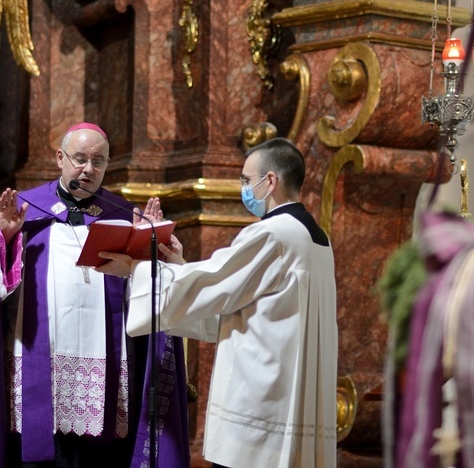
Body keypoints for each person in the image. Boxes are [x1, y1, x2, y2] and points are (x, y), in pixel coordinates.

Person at [0, 122, 190, 468]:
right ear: (60, 158)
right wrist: (6, 239)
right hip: (38, 364)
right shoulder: (27, 213)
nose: (88, 169)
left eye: (99, 161)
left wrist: (151, 248)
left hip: (106, 367)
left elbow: (148, 300)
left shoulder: (122, 217)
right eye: (80, 159)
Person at [96, 137, 339, 468]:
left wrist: (139, 269)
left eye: (245, 179)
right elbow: (237, 300)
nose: (242, 187)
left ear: (270, 181)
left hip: (260, 406)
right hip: (293, 398)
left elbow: (215, 284)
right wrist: (179, 265)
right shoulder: (316, 237)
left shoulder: (273, 234)